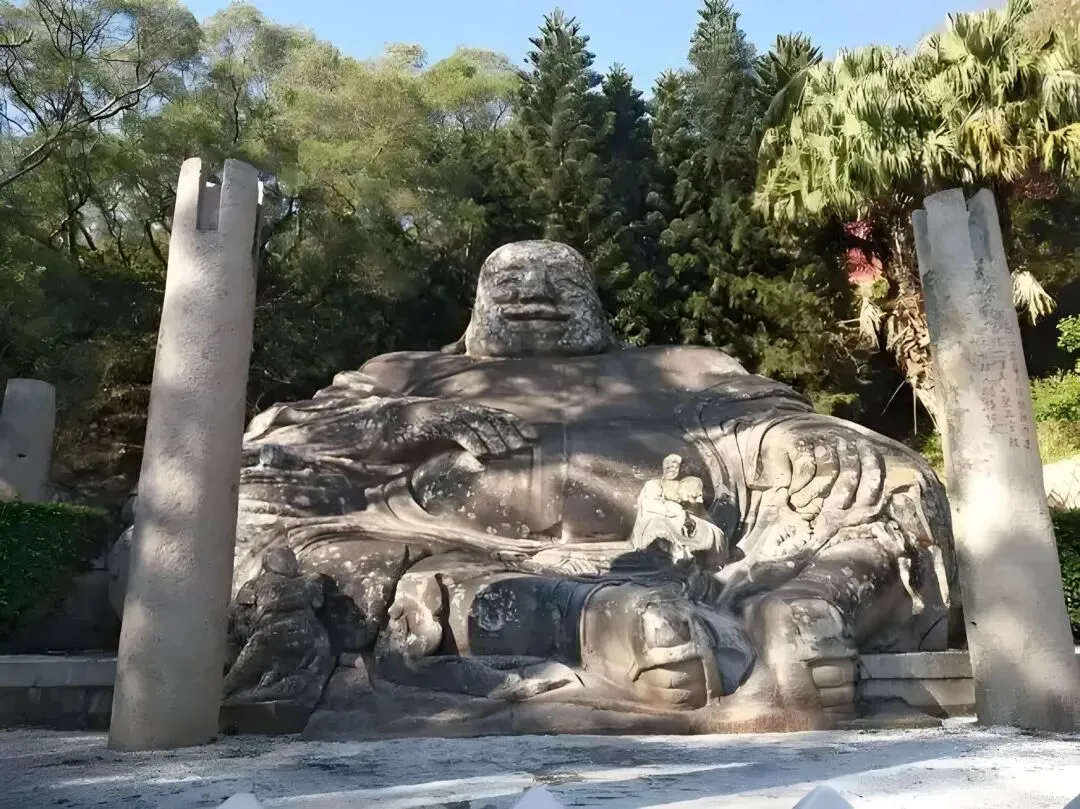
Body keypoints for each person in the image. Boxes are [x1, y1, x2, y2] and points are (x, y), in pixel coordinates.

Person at [233, 240, 957, 726]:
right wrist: (414, 417)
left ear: (594, 298)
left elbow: (768, 416)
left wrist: (813, 439)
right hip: (449, 548)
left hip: (701, 552)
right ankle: (595, 620)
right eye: (511, 283)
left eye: (558, 283)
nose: (535, 295)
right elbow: (284, 440)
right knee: (291, 544)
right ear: (477, 299)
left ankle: (808, 605)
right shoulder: (407, 372)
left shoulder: (679, 365)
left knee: (891, 481)